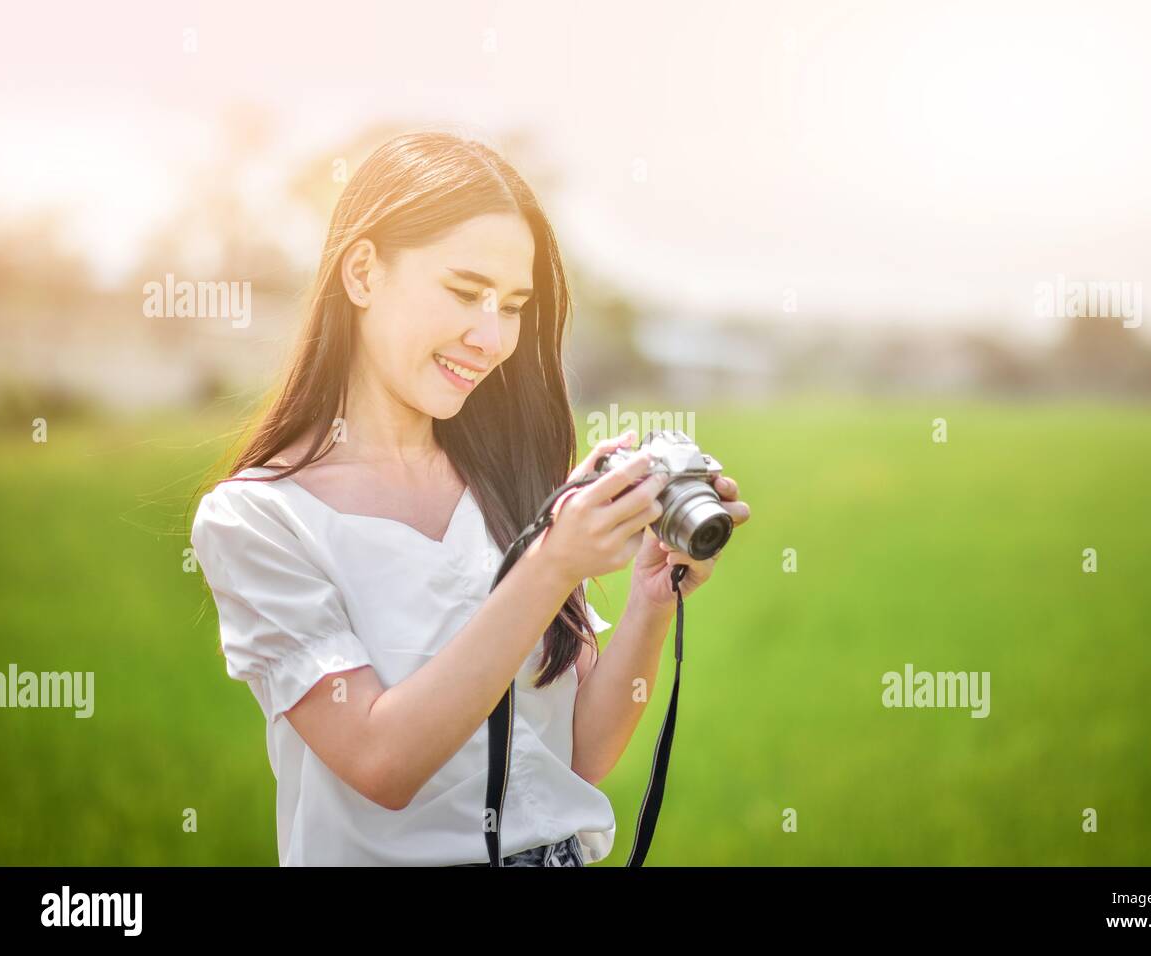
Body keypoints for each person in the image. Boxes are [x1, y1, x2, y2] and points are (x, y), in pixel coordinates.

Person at [190, 130, 751, 866]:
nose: (491, 337)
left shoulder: (510, 477)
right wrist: (549, 568)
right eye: (463, 292)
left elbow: (580, 753)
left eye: (514, 305)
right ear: (362, 272)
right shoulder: (261, 519)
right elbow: (380, 762)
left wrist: (649, 599)